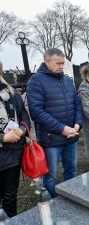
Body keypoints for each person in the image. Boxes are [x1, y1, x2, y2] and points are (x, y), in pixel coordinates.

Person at [26, 48, 84, 198]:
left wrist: (78, 123)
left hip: (71, 135)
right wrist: (62, 129)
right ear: (47, 61)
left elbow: (77, 103)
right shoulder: (36, 81)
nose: (61, 66)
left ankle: (71, 197)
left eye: (63, 63)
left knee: (71, 170)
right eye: (58, 63)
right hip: (51, 138)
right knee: (50, 176)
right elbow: (37, 112)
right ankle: (54, 204)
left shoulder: (67, 80)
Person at [0, 60, 31, 217]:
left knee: (10, 195)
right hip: (4, 146)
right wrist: (3, 137)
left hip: (12, 154)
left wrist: (22, 129)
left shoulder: (11, 93)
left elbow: (23, 114)